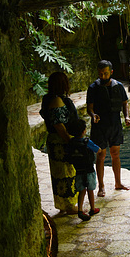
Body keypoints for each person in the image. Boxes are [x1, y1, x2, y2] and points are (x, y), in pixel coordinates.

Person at [86, 59, 130, 197]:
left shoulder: (118, 86)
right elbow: (90, 108)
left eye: (106, 73)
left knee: (115, 154)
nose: (103, 76)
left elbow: (125, 103)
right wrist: (93, 115)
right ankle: (101, 186)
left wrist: (127, 117)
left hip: (115, 123)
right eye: (100, 74)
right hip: (99, 125)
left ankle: (118, 183)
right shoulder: (93, 88)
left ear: (111, 72)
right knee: (100, 155)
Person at [39, 72, 79, 214]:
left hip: (55, 142)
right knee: (65, 173)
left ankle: (63, 204)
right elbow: (59, 125)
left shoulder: (48, 98)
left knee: (59, 174)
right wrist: (71, 141)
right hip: (61, 143)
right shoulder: (56, 100)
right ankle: (68, 205)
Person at [65, 118, 101, 221]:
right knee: (90, 189)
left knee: (81, 191)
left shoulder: (71, 142)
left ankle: (80, 210)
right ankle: (93, 208)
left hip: (78, 170)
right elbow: (98, 150)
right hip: (89, 170)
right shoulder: (86, 141)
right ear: (84, 131)